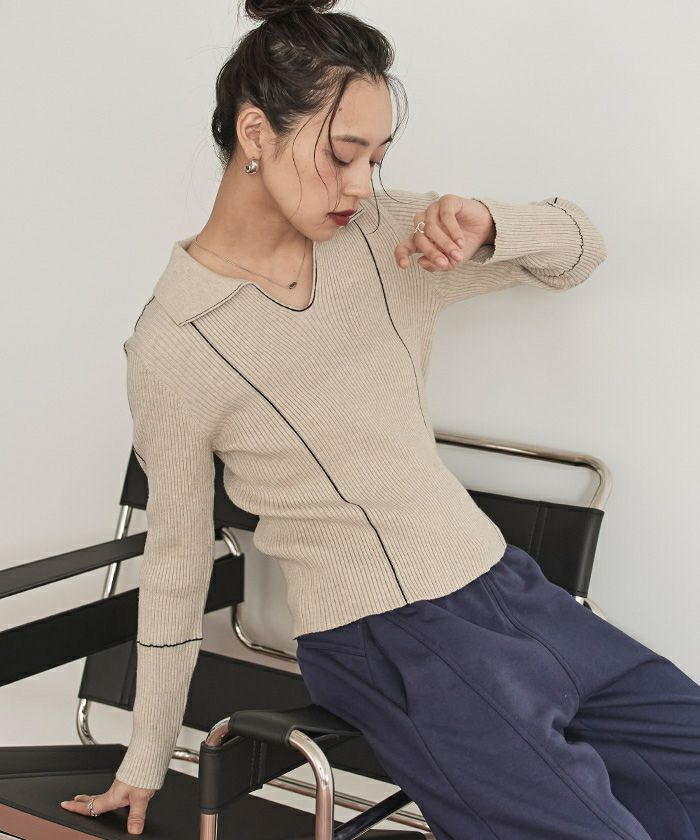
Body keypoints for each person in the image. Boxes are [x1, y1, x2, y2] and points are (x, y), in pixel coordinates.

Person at [59, 0, 700, 837]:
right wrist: (145, 760)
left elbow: (581, 248)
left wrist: (490, 225)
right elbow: (176, 558)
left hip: (512, 590)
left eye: (378, 158)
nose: (362, 184)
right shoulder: (176, 342)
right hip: (388, 637)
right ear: (256, 133)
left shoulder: (383, 239)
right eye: (342, 154)